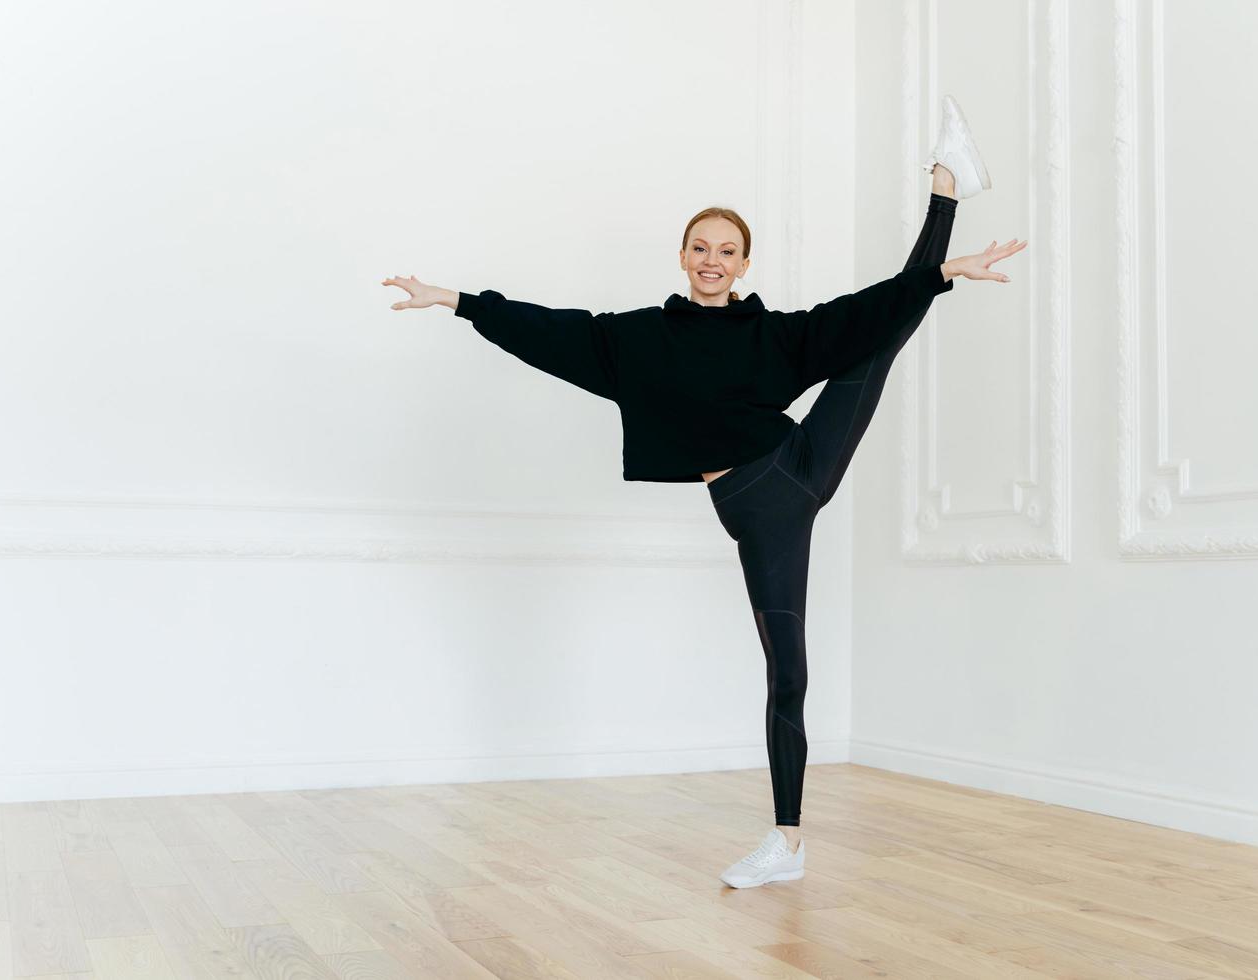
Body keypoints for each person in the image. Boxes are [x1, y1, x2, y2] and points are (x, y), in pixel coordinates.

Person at [381, 95, 1025, 889]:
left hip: (791, 477)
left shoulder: (773, 335)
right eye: (701, 248)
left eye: (727, 249)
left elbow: (853, 313)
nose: (713, 259)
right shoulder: (638, 340)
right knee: (787, 673)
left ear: (745, 263)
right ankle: (948, 184)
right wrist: (457, 301)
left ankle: (946, 185)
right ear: (683, 257)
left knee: (877, 333)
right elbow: (553, 331)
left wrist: (940, 275)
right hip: (756, 508)